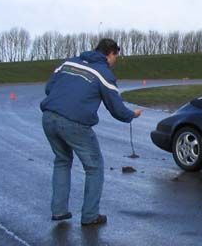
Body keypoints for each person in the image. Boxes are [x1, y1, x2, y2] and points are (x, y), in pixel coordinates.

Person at [40, 38, 141, 226]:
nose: (114, 61)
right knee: (94, 167)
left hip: (48, 117)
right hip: (74, 122)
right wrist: (131, 115)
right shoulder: (103, 73)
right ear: (110, 54)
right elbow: (116, 108)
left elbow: (48, 88)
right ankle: (90, 215)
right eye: (115, 57)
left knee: (62, 161)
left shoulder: (69, 62)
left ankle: (59, 211)